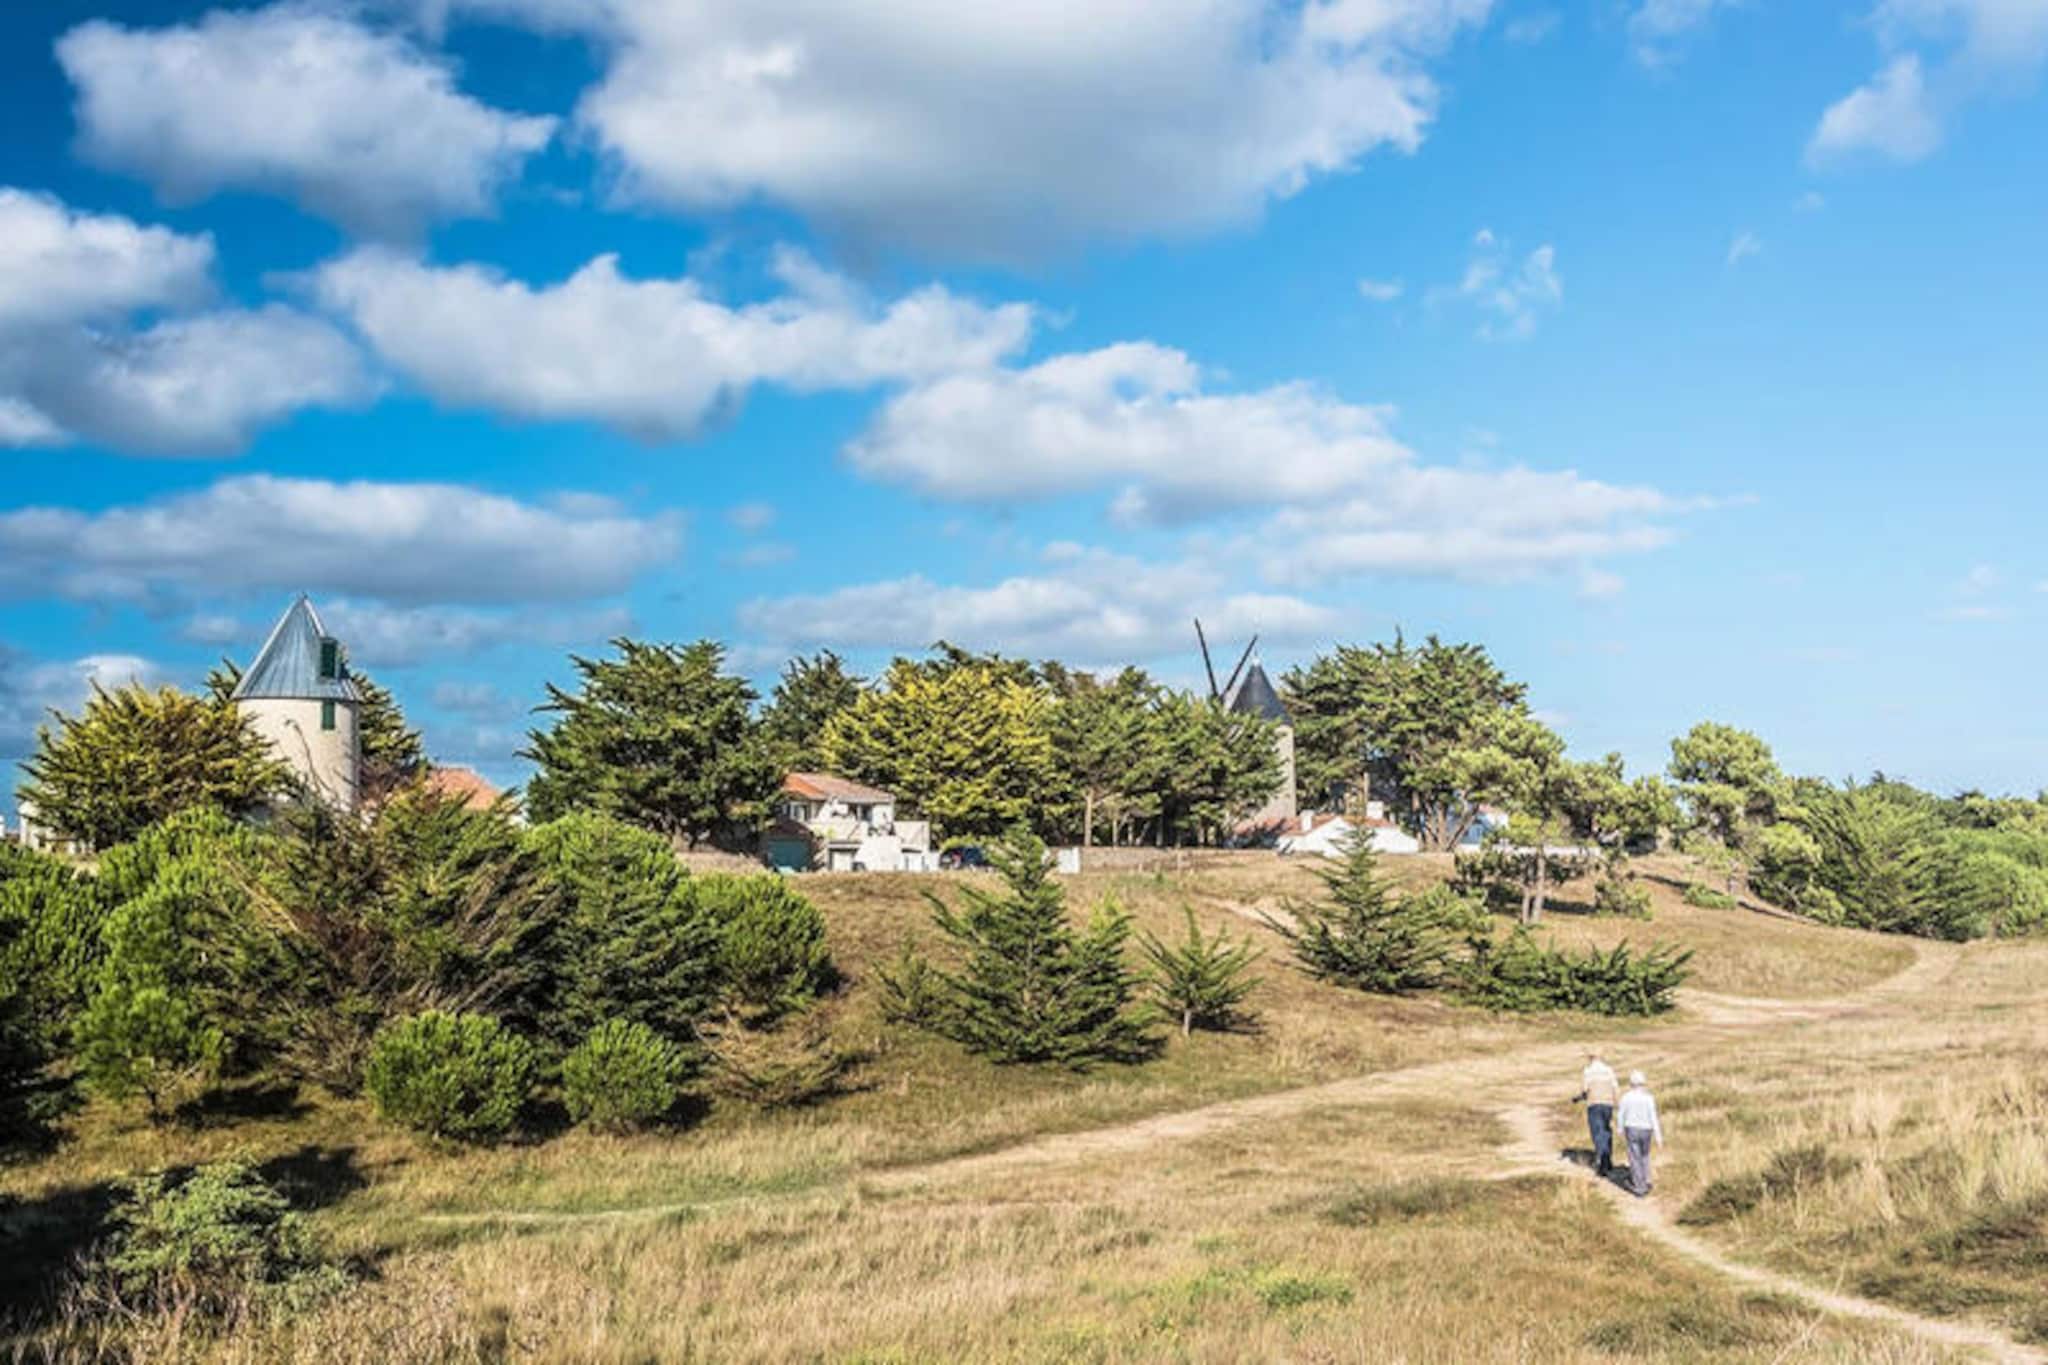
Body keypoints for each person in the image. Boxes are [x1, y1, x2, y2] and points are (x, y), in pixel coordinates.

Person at [1616, 1070, 1664, 1196]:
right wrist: (1658, 1136)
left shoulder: (1626, 1097)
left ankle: (1639, 1186)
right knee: (1645, 1155)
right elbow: (1653, 1117)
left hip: (1631, 1128)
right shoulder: (1648, 1098)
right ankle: (1646, 1179)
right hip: (1646, 1129)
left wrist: (1620, 1129)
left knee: (1634, 1156)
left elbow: (1621, 1114)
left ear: (1631, 1083)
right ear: (1643, 1083)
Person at [1574, 1049, 1620, 1175]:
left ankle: (1602, 1162)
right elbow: (1615, 1087)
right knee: (1606, 1130)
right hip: (1608, 1104)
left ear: (1591, 1058)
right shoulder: (1609, 1070)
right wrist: (1617, 1103)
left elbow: (1584, 1089)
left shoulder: (1588, 1071)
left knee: (1597, 1132)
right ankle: (1608, 1159)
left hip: (1594, 1103)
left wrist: (1579, 1097)